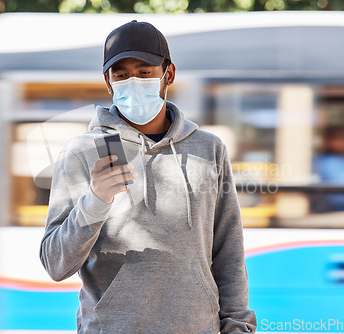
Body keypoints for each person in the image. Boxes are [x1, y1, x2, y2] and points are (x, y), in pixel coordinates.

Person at [40, 20, 257, 334]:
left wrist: (238, 327)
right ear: (108, 81)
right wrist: (95, 201)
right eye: (121, 74)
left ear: (168, 74)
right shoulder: (82, 152)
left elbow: (229, 251)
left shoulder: (208, 149)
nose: (132, 82)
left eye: (144, 72)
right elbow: (55, 263)